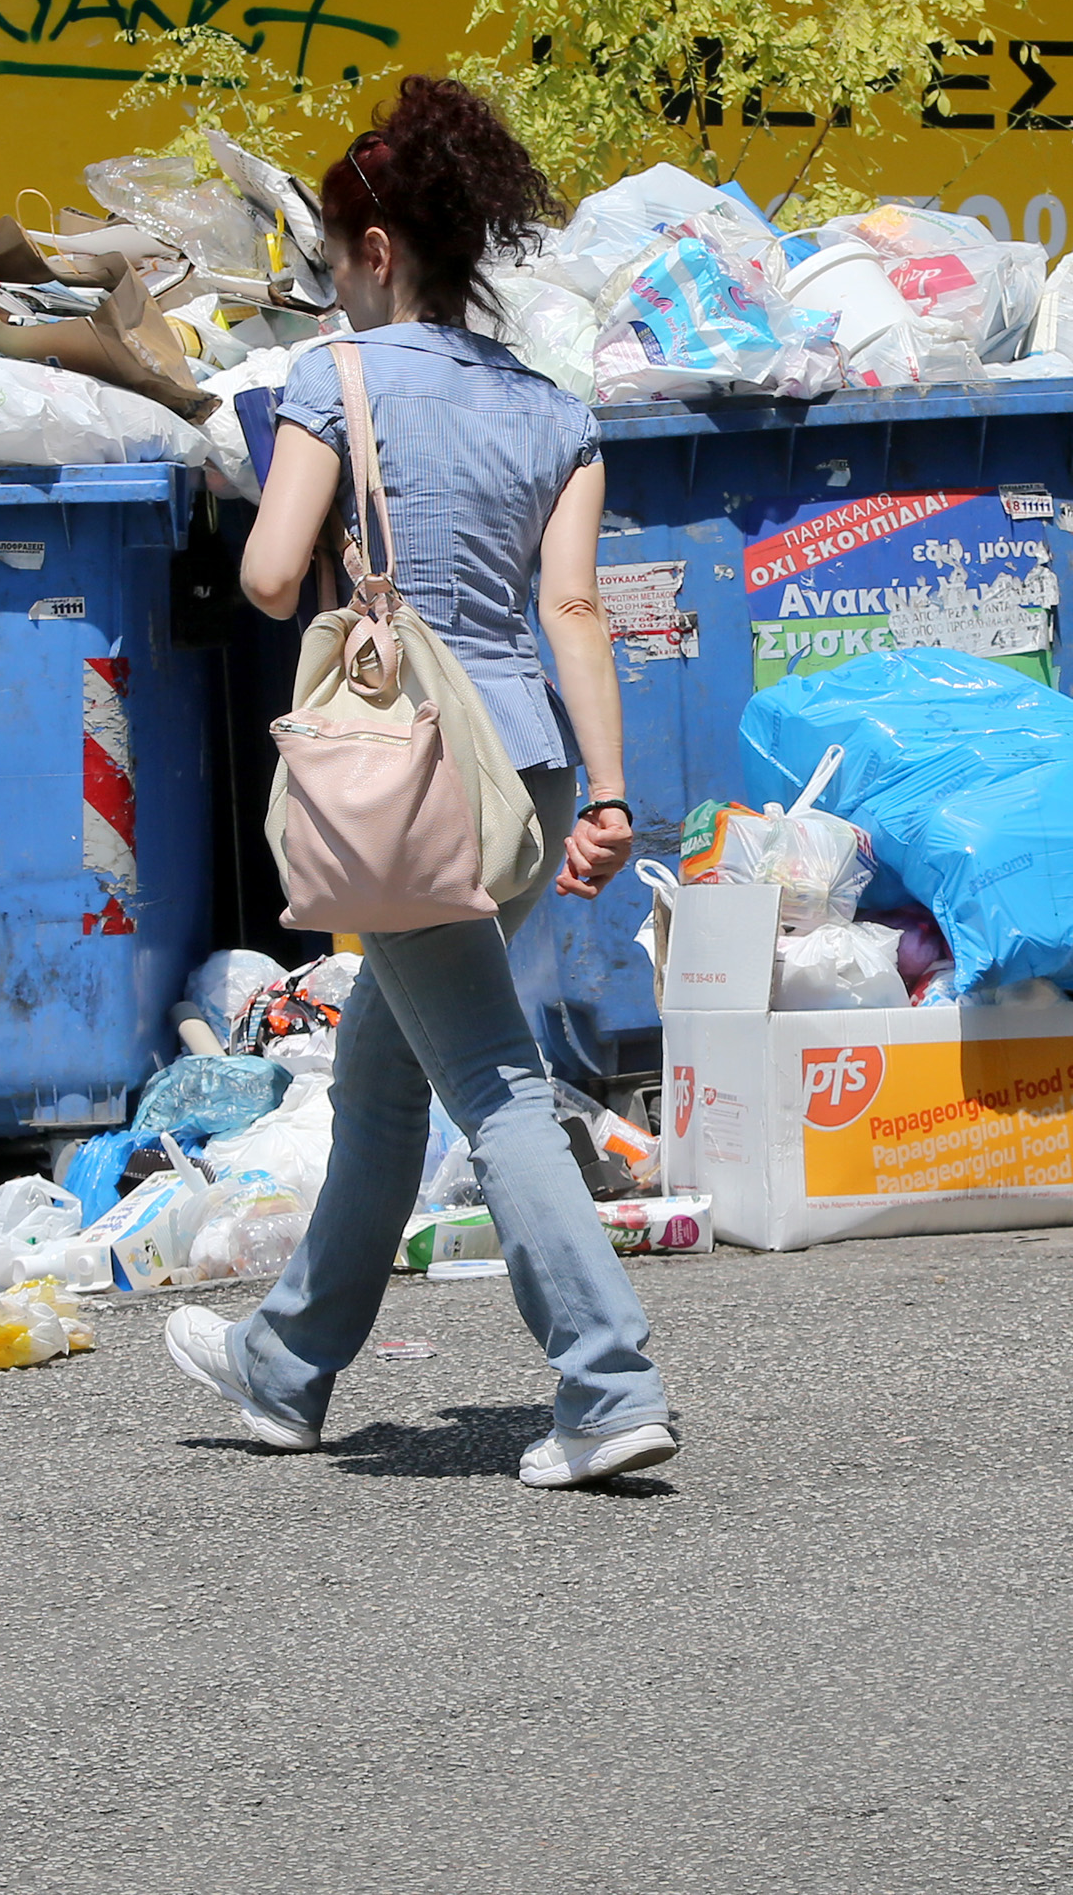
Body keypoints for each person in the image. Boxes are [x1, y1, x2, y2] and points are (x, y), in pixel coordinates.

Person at [163, 76, 677, 1488]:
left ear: (377, 250)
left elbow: (271, 576)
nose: (335, 284)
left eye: (336, 260)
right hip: (535, 779)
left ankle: (605, 1379)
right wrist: (614, 802)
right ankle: (286, 1364)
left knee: (493, 1080)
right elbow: (575, 613)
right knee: (392, 1075)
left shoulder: (332, 379)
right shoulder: (556, 412)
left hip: (408, 776)